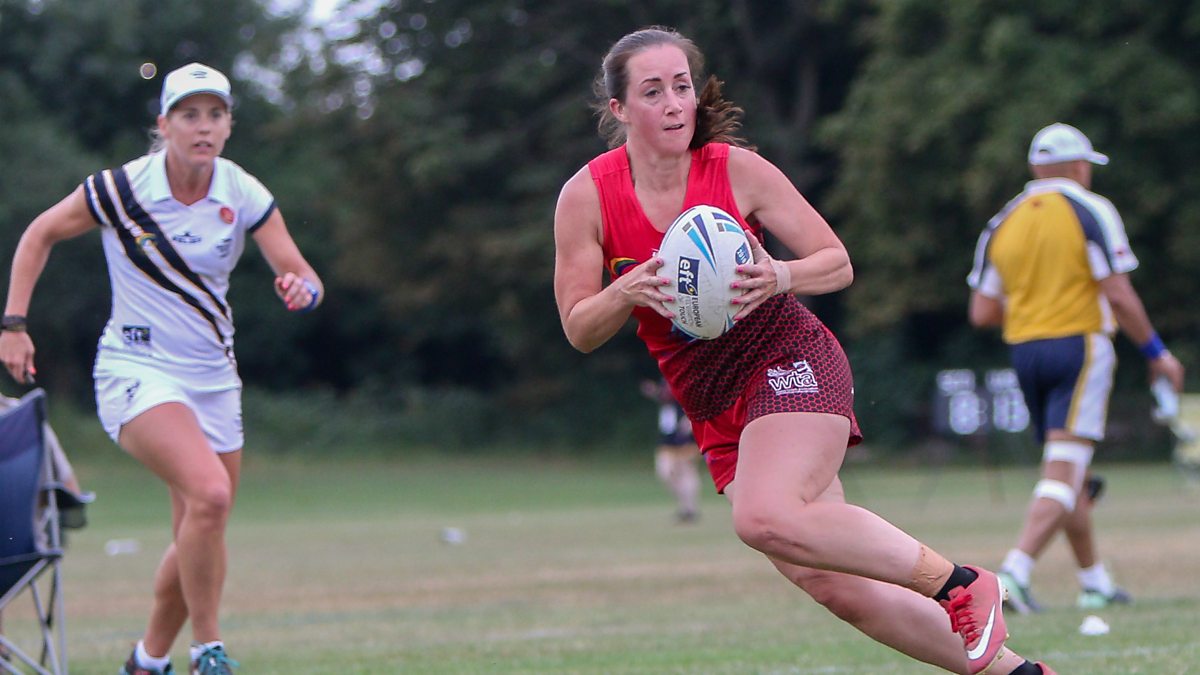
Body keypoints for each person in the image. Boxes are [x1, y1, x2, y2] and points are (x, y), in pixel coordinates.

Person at [553, 26, 1054, 675]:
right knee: (838, 584)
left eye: (683, 86)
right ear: (619, 109)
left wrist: (780, 275)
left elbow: (837, 262)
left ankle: (960, 582)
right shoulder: (587, 196)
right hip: (711, 401)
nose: (676, 103)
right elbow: (579, 328)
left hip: (787, 358)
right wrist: (623, 290)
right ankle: (1021, 674)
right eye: (653, 91)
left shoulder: (736, 169)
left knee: (763, 515)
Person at [0, 62, 324, 675]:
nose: (204, 127)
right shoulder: (122, 189)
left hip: (215, 380)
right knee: (210, 495)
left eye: (216, 115)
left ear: (228, 126)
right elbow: (39, 234)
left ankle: (147, 662)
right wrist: (12, 325)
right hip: (136, 369)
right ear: (164, 125)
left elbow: (303, 273)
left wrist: (301, 289)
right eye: (189, 115)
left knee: (201, 525)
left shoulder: (241, 191)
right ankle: (208, 648)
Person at [967, 122, 1185, 613]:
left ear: (1034, 168)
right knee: (1065, 471)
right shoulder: (1092, 210)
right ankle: (1013, 577)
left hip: (1025, 351)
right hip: (1079, 346)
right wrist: (1157, 354)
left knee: (1068, 471)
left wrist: (1032, 307)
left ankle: (1095, 581)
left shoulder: (1003, 220)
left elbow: (982, 312)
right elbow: (1118, 292)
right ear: (1079, 166)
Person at [640, 377, 701, 523]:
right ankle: (685, 505)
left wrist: (690, 420)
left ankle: (689, 509)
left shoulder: (688, 379)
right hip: (667, 439)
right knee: (665, 473)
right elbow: (664, 396)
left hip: (685, 439)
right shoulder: (666, 378)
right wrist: (653, 391)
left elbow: (697, 401)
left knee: (686, 472)